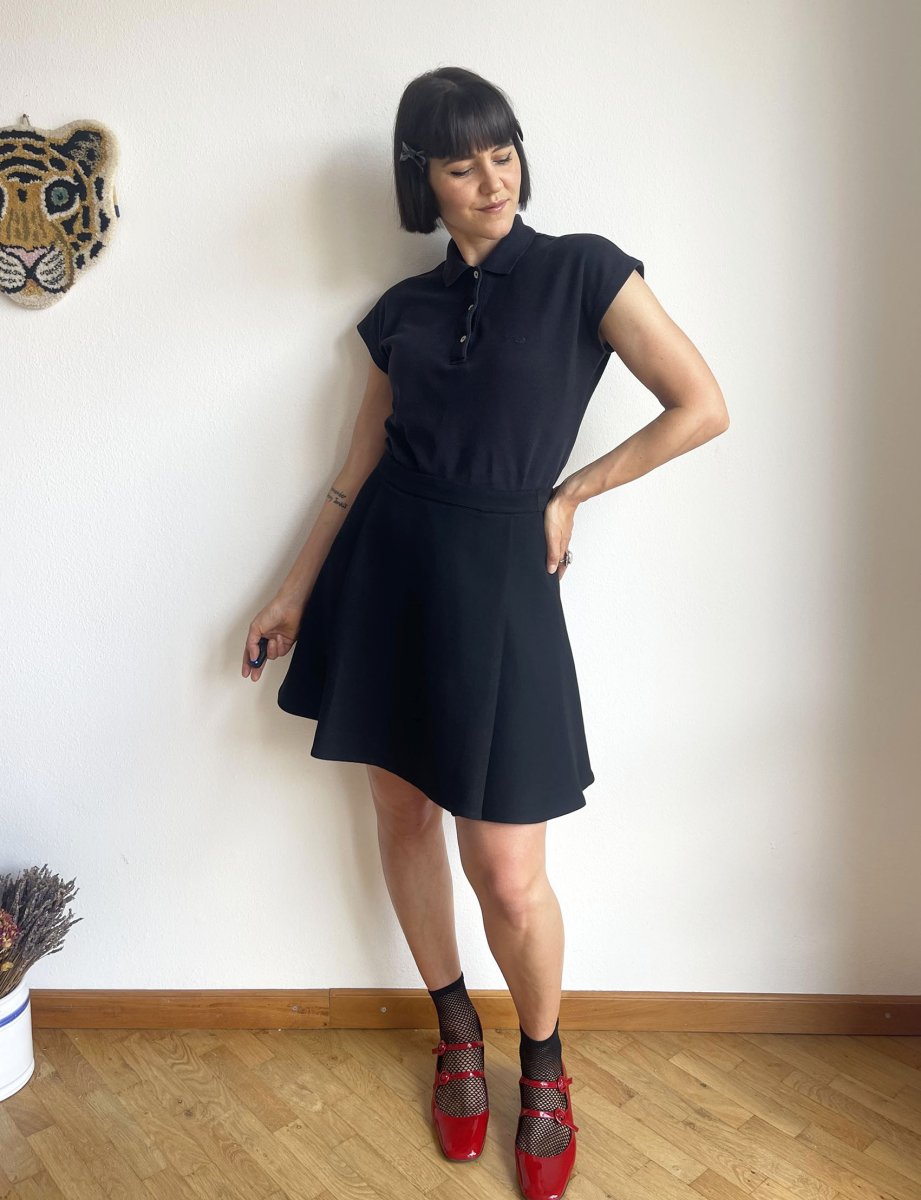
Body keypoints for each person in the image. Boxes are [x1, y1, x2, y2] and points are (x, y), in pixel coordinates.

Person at [242, 66, 728, 1200]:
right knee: (404, 814)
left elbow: (701, 405)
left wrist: (572, 492)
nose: (492, 180)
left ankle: (543, 1064)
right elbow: (355, 467)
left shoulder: (583, 270)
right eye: (462, 164)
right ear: (422, 179)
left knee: (508, 870)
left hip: (504, 586)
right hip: (389, 576)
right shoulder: (402, 312)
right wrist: (293, 589)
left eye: (503, 153)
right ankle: (455, 1029)